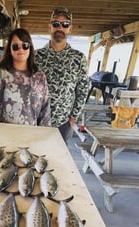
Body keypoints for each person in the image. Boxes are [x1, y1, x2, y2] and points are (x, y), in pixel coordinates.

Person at [35, 7, 89, 142]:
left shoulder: (79, 58)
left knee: (57, 160)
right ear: (49, 27)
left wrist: (73, 118)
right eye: (56, 24)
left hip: (62, 123)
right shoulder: (35, 56)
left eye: (65, 24)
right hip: (35, 119)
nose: (60, 27)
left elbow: (82, 90)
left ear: (70, 29)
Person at [0, 28, 51, 127]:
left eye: (25, 45)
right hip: (5, 134)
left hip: (31, 134)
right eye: (16, 46)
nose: (21, 49)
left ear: (30, 47)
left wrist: (43, 135)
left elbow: (45, 110)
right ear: (10, 49)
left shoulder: (39, 76)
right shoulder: (0, 74)